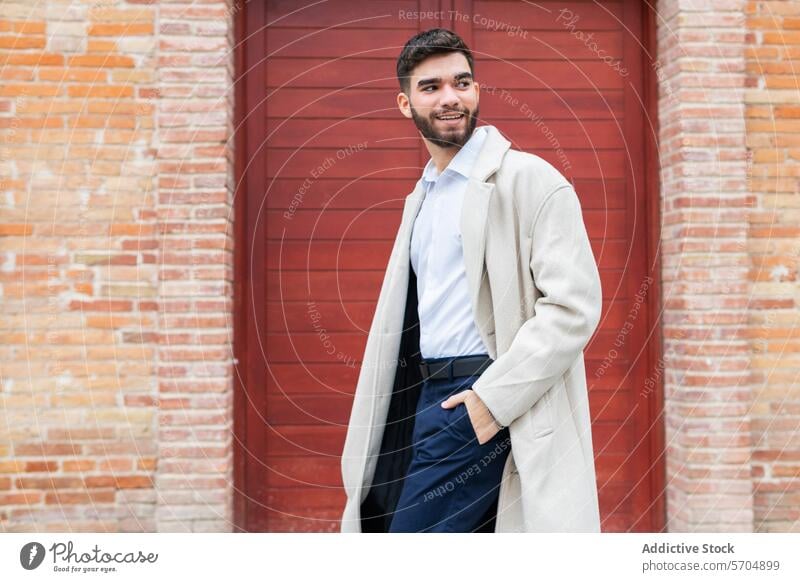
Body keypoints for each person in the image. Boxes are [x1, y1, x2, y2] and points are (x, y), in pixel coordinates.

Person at [340, 28, 603, 533]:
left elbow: (573, 307)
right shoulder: (420, 199)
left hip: (482, 391)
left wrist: (491, 400)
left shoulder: (530, 180)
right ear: (405, 103)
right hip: (422, 395)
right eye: (431, 87)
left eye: (461, 83)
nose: (450, 98)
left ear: (478, 91)